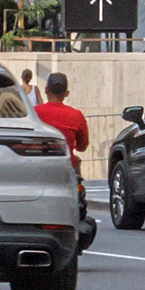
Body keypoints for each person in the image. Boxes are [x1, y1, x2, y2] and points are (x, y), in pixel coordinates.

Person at [34, 70, 92, 229]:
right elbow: (82, 145)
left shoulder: (34, 113)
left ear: (46, 90)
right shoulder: (76, 115)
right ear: (66, 93)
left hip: (38, 166)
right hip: (66, 168)